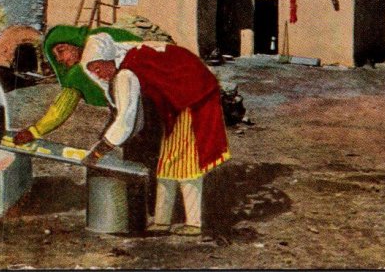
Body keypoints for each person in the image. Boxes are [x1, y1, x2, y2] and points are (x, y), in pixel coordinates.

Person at [77, 32, 231, 236]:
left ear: (108, 59)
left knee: (186, 163)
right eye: (93, 71)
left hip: (192, 96)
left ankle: (193, 223)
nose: (98, 74)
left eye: (98, 68)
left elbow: (126, 119)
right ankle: (161, 222)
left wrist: (99, 150)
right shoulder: (125, 58)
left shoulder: (125, 73)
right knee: (166, 163)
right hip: (176, 99)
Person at [12, 25, 142, 145]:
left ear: (75, 43)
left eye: (61, 50)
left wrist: (34, 131)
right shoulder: (104, 40)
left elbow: (61, 109)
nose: (59, 59)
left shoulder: (80, 70)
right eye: (55, 57)